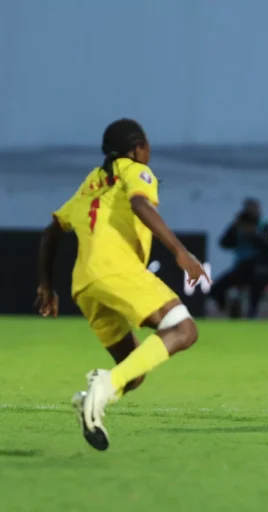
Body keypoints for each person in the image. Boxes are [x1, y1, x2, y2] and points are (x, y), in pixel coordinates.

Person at [35, 118, 209, 451]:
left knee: (133, 372)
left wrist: (45, 286)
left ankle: (90, 400)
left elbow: (51, 231)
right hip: (116, 269)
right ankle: (102, 385)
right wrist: (180, 252)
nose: (149, 152)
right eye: (146, 146)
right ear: (136, 148)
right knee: (184, 330)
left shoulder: (92, 182)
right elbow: (140, 203)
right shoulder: (135, 170)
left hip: (85, 284)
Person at [210, 198, 268, 318]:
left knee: (256, 279)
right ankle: (230, 311)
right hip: (243, 269)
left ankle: (251, 313)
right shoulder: (239, 227)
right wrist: (234, 226)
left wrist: (254, 235)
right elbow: (224, 243)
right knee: (215, 288)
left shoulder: (266, 227)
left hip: (264, 269)